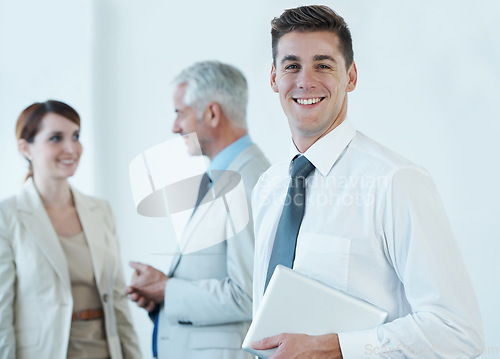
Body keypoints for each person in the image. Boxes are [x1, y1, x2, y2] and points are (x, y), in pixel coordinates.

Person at [250, 5, 484, 358]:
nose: (305, 81)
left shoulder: (395, 181)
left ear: (352, 76)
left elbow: (458, 331)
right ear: (273, 78)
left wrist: (338, 348)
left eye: (323, 65)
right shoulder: (268, 187)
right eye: (291, 65)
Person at [125, 61, 270, 359]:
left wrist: (168, 289)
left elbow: (249, 296)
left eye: (180, 113)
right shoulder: (226, 175)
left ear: (212, 113)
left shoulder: (247, 182)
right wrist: (162, 295)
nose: (175, 126)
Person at [0, 100, 142, 359]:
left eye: (75, 136)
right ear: (25, 148)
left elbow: (118, 300)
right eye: (56, 138)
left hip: (105, 351)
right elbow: (1, 314)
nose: (71, 148)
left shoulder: (101, 211)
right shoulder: (7, 216)